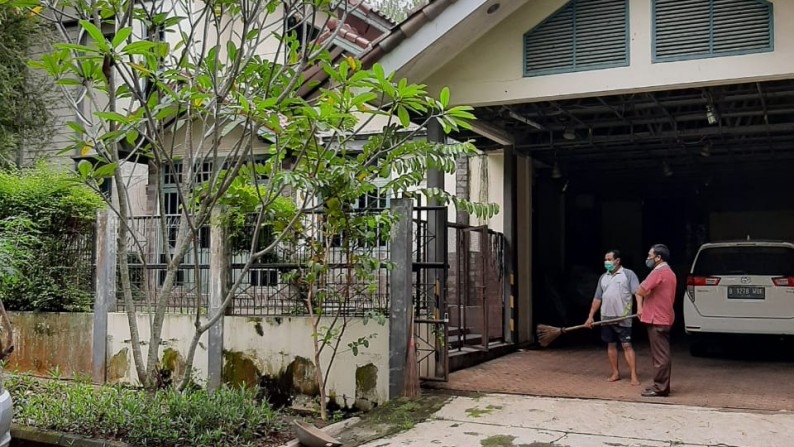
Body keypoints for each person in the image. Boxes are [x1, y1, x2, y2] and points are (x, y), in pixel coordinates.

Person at [584, 249, 640, 385]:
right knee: (611, 345)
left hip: (623, 317)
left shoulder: (628, 274)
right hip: (606, 318)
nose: (606, 262)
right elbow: (597, 299)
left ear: (617, 261)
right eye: (605, 259)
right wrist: (590, 317)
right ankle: (615, 373)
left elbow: (637, 292)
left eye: (609, 259)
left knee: (627, 345)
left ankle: (633, 375)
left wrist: (640, 308)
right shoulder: (603, 277)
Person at [636, 244, 677, 397]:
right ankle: (660, 385)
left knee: (660, 356)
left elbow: (640, 290)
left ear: (659, 258)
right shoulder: (670, 273)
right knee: (661, 354)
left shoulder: (658, 272)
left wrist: (640, 308)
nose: (648, 258)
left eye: (650, 256)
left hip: (657, 318)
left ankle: (660, 387)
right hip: (664, 316)